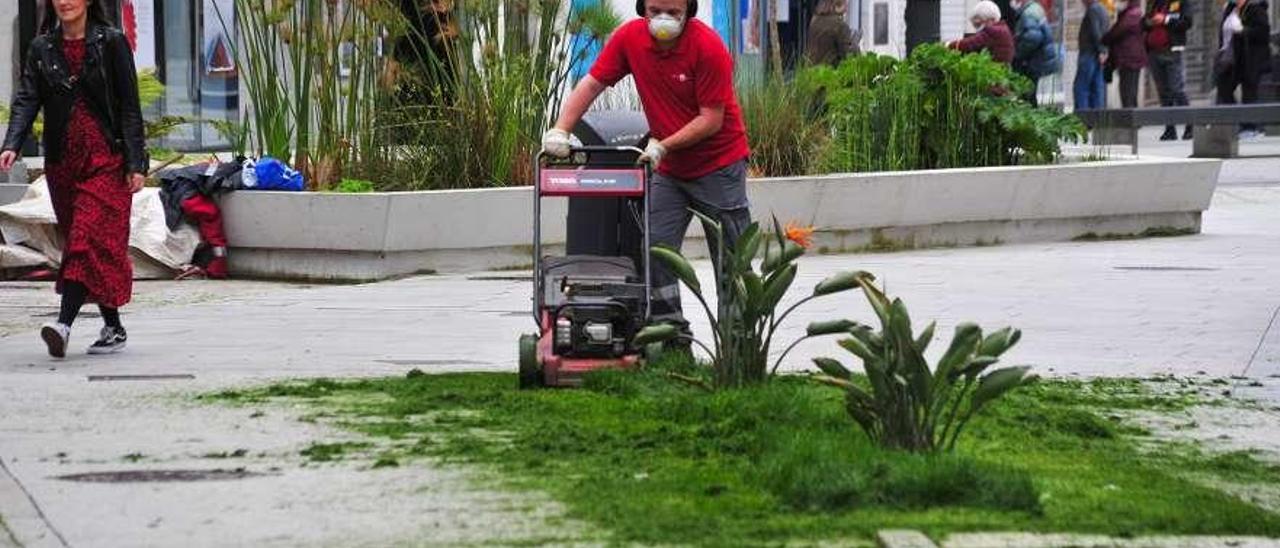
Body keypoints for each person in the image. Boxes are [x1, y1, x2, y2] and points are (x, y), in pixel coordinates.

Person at [541, 0, 751, 338]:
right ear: (642, 9)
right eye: (655, 11)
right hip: (669, 168)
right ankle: (670, 335)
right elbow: (593, 83)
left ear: (689, 12)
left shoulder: (709, 47)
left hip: (718, 165)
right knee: (657, 250)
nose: (663, 19)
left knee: (731, 258)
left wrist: (664, 145)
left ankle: (738, 339)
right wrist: (561, 129)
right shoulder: (629, 39)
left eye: (673, 12)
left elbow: (711, 120)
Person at [0, 0, 148, 358]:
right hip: (63, 163)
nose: (65, 2)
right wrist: (13, 143)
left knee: (84, 238)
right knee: (87, 246)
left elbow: (129, 105)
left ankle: (63, 325)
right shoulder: (42, 47)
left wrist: (135, 162)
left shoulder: (111, 41)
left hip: (107, 161)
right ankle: (113, 325)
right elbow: (26, 99)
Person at [1216, 0, 1272, 138]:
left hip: (1252, 57)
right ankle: (1237, 121)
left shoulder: (1255, 8)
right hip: (1232, 57)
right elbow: (1224, 32)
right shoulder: (1230, 8)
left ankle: (1251, 127)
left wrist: (1243, 30)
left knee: (1250, 91)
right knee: (1224, 87)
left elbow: (1263, 33)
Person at [1145, 0, 1194, 140]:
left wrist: (1165, 19)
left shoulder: (1182, 2)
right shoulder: (1156, 3)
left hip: (1173, 51)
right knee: (1163, 92)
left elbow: (1187, 22)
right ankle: (1170, 129)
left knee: (1176, 89)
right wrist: (1149, 22)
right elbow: (1144, 21)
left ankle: (1191, 125)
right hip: (1155, 52)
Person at [1009, 0, 1061, 105]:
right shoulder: (1034, 9)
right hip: (1038, 60)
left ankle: (1030, 119)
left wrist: (1018, 53)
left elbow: (1033, 38)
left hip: (1032, 61)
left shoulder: (1028, 14)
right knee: (1030, 94)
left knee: (1028, 96)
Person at [1103, 0, 1148, 108]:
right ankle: (1132, 120)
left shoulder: (1132, 14)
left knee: (1128, 92)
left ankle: (1131, 121)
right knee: (1128, 91)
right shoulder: (1128, 13)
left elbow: (1116, 32)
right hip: (1128, 58)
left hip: (1130, 58)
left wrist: (1103, 39)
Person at [948, 1, 1015, 64]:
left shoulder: (992, 31)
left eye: (978, 25)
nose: (977, 29)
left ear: (988, 19)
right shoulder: (1003, 28)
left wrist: (949, 45)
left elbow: (970, 44)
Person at [1074, 0, 1110, 110]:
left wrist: (1101, 50)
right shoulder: (1103, 9)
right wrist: (1104, 50)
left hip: (1089, 52)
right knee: (1096, 87)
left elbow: (1095, 31)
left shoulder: (1092, 10)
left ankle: (1082, 118)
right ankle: (1097, 118)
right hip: (1098, 53)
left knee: (1082, 87)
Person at [805, 0, 860, 66]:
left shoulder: (814, 20)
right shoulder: (839, 25)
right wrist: (854, 43)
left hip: (813, 72)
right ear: (838, 5)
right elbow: (850, 56)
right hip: (831, 72)